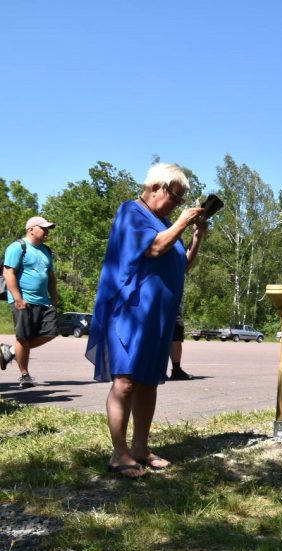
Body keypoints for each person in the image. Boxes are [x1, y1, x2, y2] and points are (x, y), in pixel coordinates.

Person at [86, 163, 208, 478]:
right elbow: (154, 248)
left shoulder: (165, 221)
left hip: (157, 316)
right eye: (176, 196)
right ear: (156, 186)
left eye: (182, 201)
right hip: (130, 310)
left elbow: (182, 265)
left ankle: (140, 447)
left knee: (149, 381)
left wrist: (196, 237)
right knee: (126, 381)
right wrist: (181, 222)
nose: (178, 204)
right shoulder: (132, 212)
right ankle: (119, 453)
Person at [3, 216, 58, 389]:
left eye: (48, 229)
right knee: (24, 337)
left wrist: (54, 297)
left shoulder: (46, 251)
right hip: (23, 300)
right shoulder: (18, 247)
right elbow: (9, 273)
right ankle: (24, 375)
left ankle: (10, 351)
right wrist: (18, 298)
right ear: (31, 229)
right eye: (44, 228)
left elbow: (50, 276)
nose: (47, 232)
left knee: (51, 332)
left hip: (43, 300)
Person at [167, 229, 206, 381]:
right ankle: (154, 368)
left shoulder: (177, 245)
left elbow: (185, 264)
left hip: (174, 299)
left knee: (176, 335)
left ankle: (176, 369)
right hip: (156, 296)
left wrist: (198, 234)